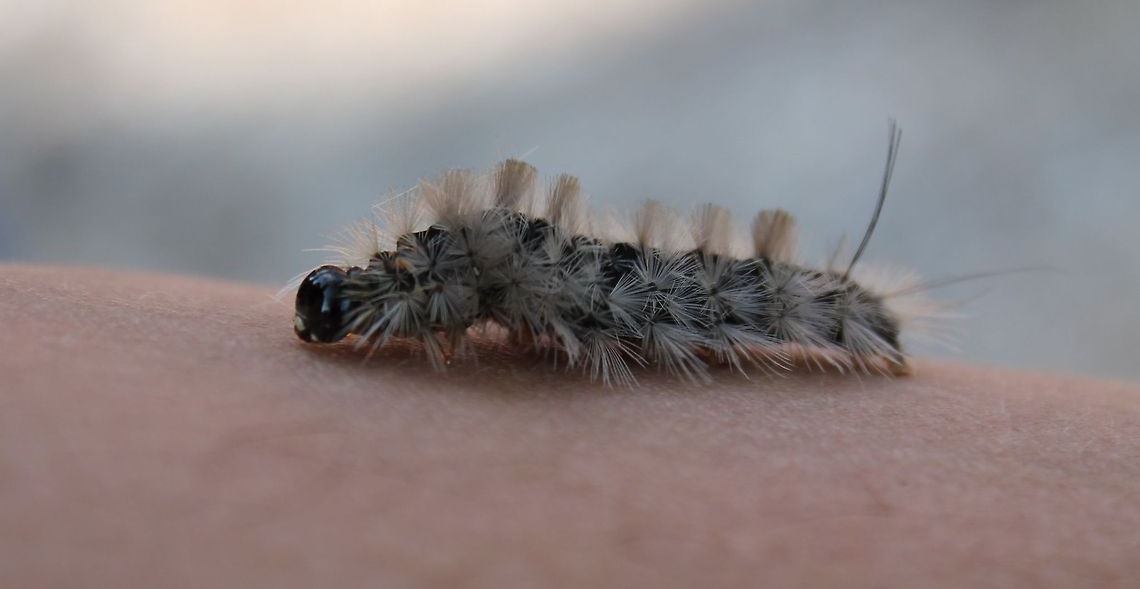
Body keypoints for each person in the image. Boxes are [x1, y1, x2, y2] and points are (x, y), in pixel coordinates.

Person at [2, 265, 1137, 587]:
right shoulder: (454, 290)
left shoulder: (491, 285)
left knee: (693, 312)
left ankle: (842, 317)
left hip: (752, 304)